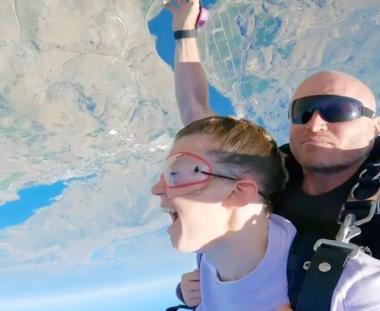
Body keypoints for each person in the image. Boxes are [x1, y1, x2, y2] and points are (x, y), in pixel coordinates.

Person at [163, 0, 380, 308]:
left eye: (339, 111)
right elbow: (197, 116)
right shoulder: (274, 170)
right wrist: (184, 31)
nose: (316, 124)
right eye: (303, 112)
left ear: (375, 127)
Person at [151, 115, 380, 311]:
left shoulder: (350, 285)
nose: (157, 189)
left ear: (239, 192)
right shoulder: (205, 271)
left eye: (177, 173)